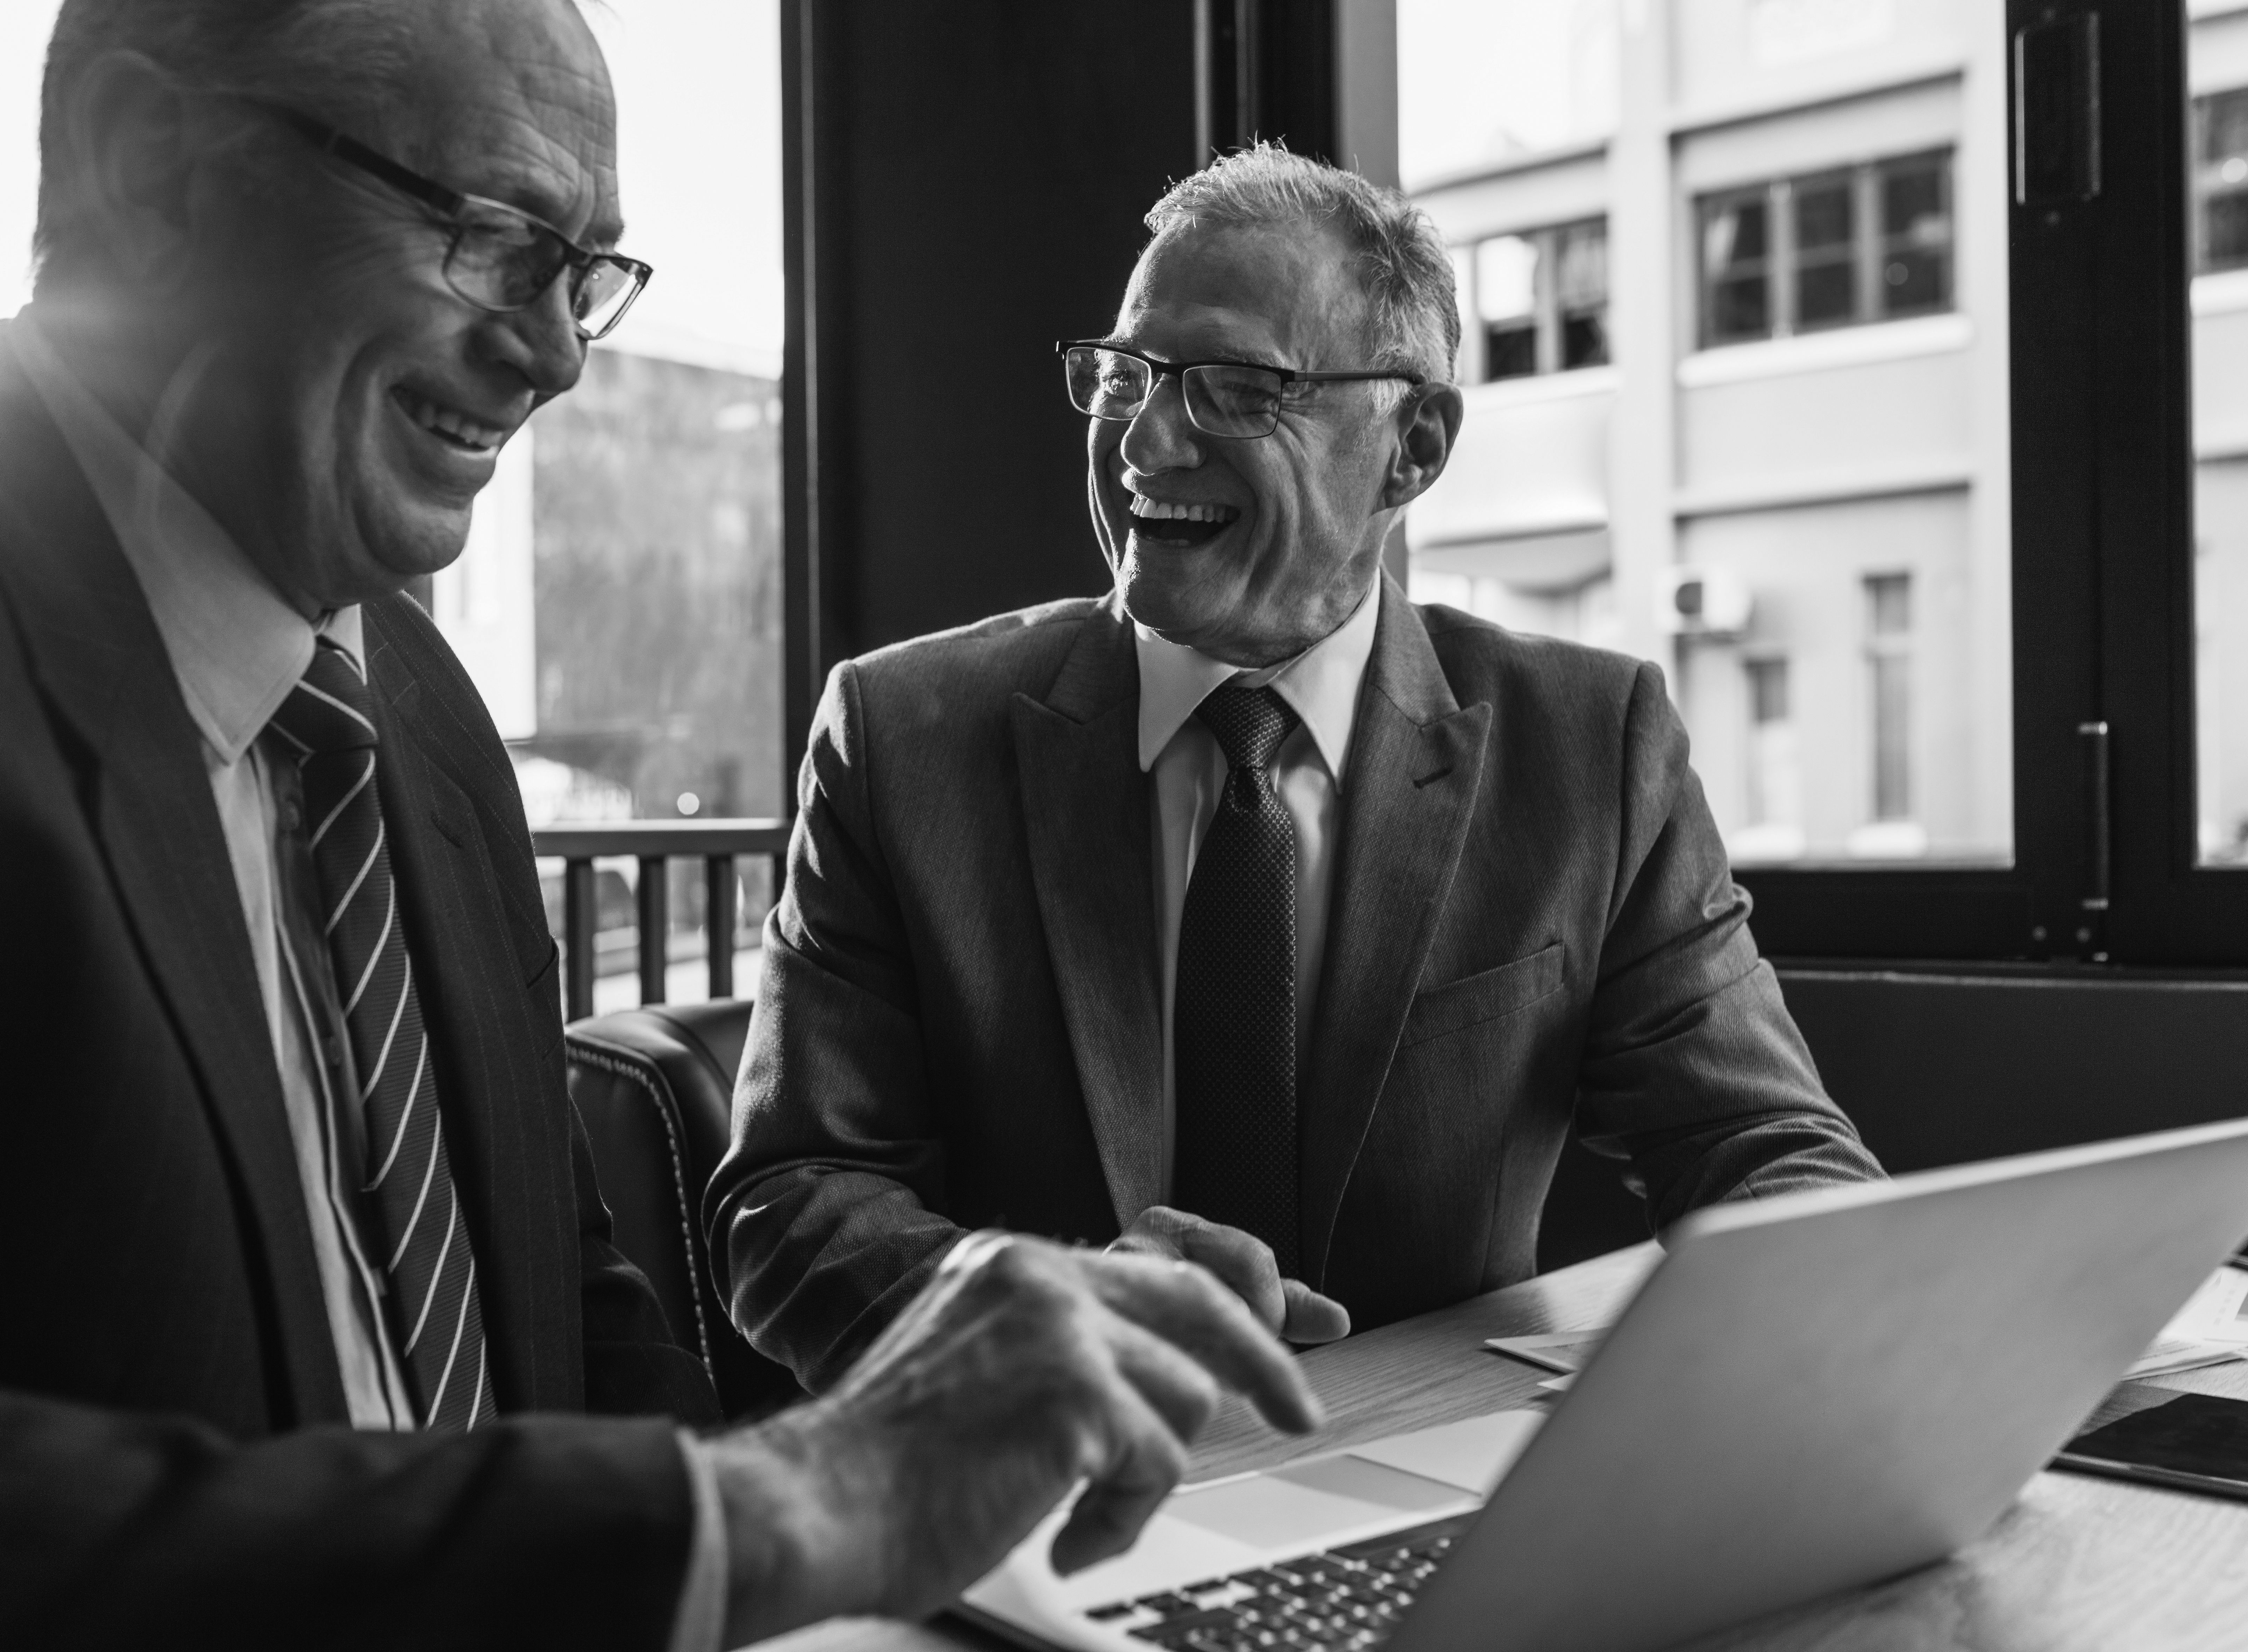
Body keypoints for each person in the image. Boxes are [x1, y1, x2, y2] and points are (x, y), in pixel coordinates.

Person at [0, 3, 1321, 1647]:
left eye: (583, 274)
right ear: (152, 166)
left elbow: (563, 1311)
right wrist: (775, 1514)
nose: (553, 355)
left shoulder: (414, 708)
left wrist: (827, 1506)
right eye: (490, 237)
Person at [712, 145, 1884, 1391]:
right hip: (1026, 1477)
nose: (1145, 443)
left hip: (1429, 1487)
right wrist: (1037, 1314)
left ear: (1414, 445)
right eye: (1125, 377)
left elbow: (1764, 1146)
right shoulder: (902, 735)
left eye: (1230, 388)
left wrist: (1832, 1346)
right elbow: (789, 1200)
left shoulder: (1593, 746)